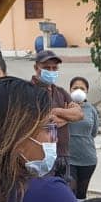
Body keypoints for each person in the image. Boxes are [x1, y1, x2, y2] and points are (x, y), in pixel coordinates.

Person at [31, 49, 84, 179]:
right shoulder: (29, 91)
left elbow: (79, 114)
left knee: (62, 188)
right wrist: (67, 116)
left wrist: (56, 111)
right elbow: (42, 120)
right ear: (36, 68)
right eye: (46, 68)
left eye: (54, 68)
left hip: (62, 154)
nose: (51, 71)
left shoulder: (60, 91)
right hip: (39, 155)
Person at [67, 76, 101, 199]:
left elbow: (94, 132)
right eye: (75, 88)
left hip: (87, 159)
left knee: (81, 195)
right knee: (69, 192)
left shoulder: (91, 110)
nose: (78, 91)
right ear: (70, 90)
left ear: (87, 91)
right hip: (68, 159)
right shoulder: (64, 107)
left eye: (82, 88)